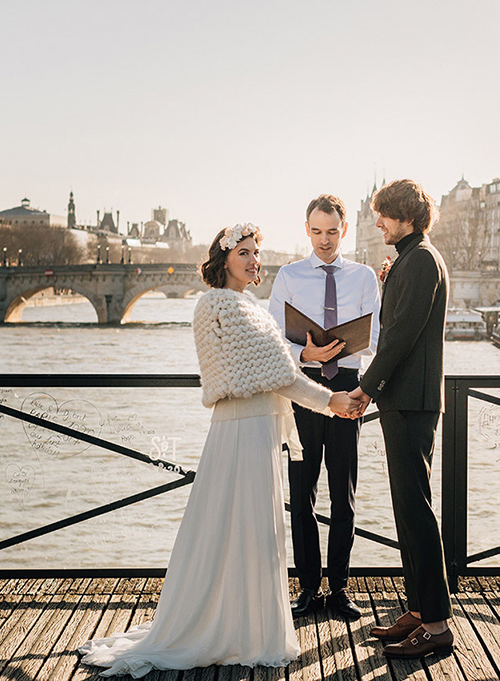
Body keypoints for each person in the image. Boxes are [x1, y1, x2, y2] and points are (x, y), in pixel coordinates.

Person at [79, 224, 360, 676]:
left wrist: (304, 358)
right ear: (224, 259)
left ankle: (240, 623)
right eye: (244, 253)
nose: (253, 261)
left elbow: (276, 367)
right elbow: (276, 375)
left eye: (255, 253)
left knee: (245, 528)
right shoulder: (218, 304)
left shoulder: (249, 308)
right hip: (244, 430)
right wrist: (331, 401)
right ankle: (242, 628)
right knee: (245, 527)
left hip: (258, 428)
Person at [348, 179, 455, 659]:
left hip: (410, 401)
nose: (378, 223)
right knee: (407, 511)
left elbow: (399, 338)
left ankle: (436, 623)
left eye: (384, 215)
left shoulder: (422, 260)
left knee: (416, 511)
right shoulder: (414, 259)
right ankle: (418, 608)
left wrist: (365, 389)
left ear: (406, 216)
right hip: (407, 400)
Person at [269, 194, 381, 621]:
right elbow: (273, 338)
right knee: (302, 492)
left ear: (345, 230)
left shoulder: (363, 276)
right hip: (303, 387)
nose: (324, 240)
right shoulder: (289, 275)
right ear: (306, 229)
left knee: (343, 494)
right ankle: (308, 588)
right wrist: (306, 356)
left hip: (350, 388)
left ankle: (339, 589)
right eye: (316, 232)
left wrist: (366, 390)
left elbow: (375, 338)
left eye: (332, 232)